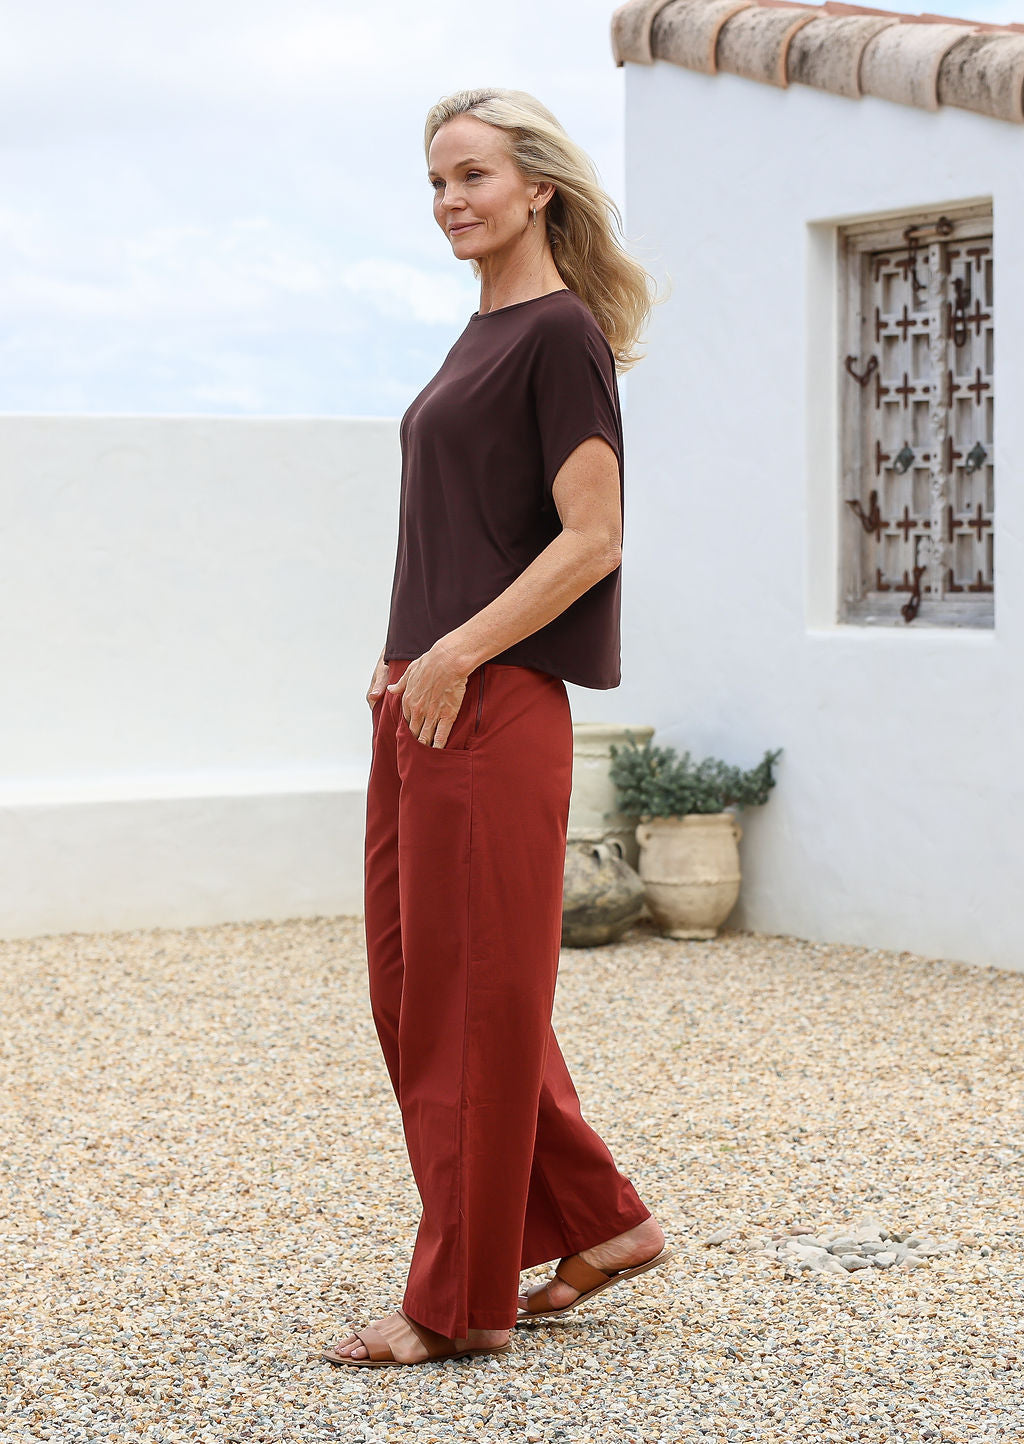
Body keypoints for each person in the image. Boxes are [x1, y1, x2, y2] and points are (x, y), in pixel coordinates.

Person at [324, 86, 671, 1369]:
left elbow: (593, 538)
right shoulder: (478, 335)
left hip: (489, 698)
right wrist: (404, 650)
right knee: (422, 989)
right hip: (419, 691)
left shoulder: (557, 336)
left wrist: (461, 647)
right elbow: (465, 525)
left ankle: (457, 1300)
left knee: (467, 998)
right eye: (436, 181)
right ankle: (601, 1216)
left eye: (472, 175)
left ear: (539, 188)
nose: (450, 200)